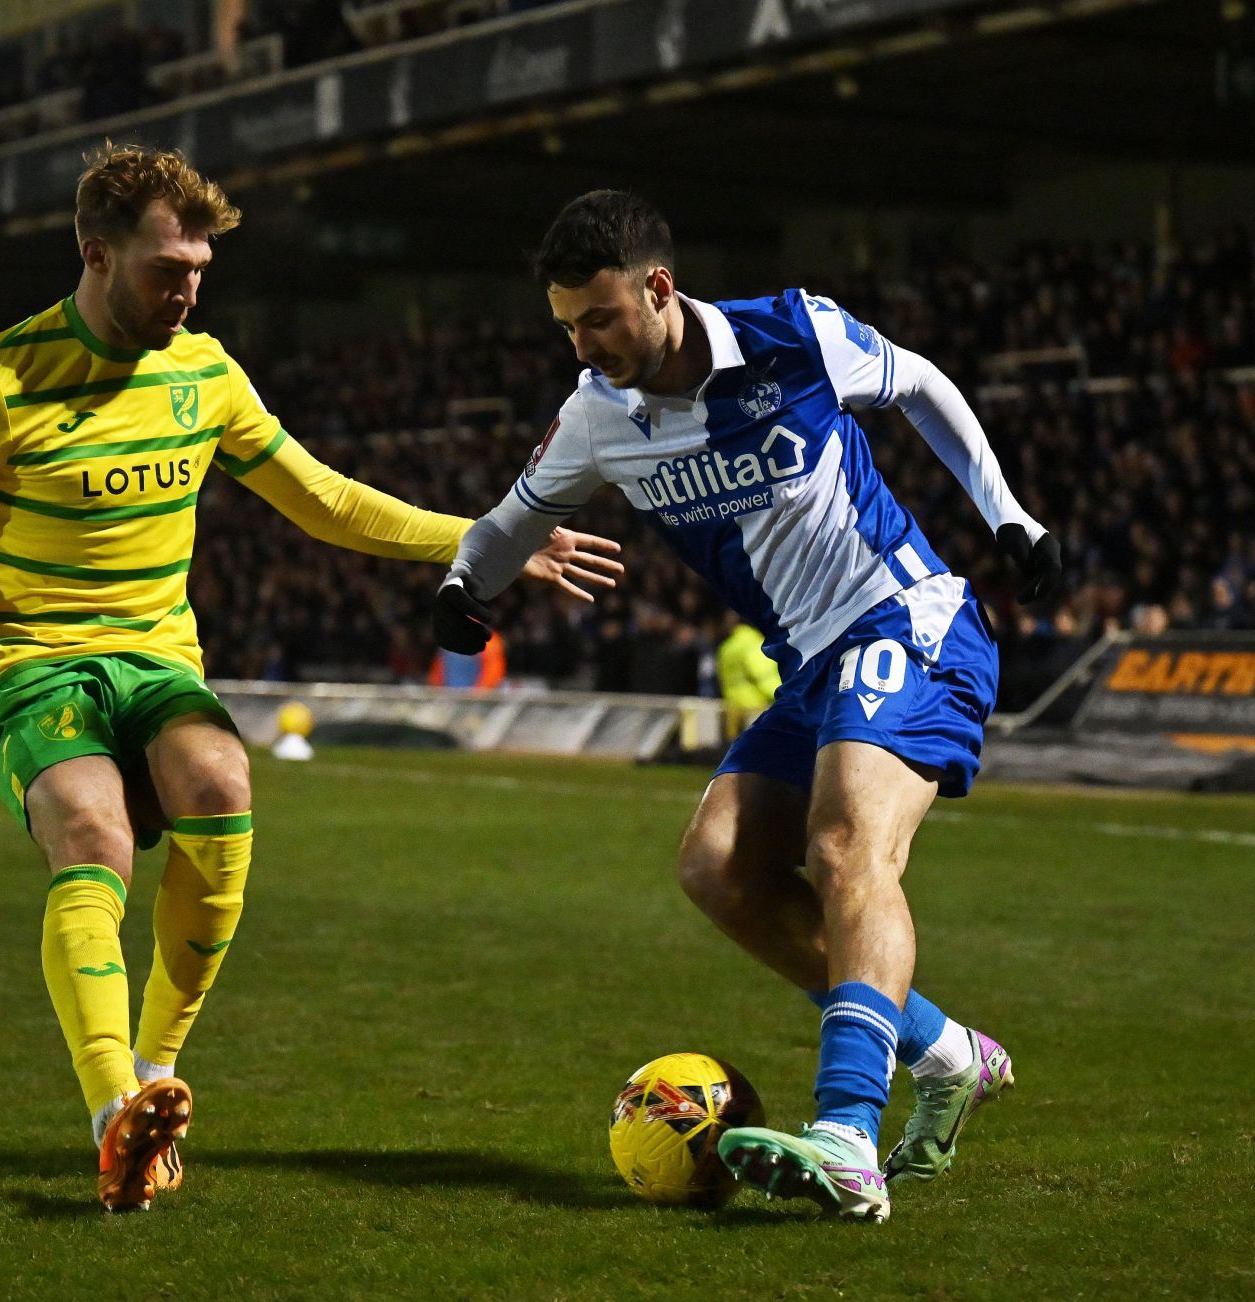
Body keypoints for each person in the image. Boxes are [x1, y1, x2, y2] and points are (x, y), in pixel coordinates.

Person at [0, 144, 621, 1212]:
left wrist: (490, 539)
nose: (186, 289)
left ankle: (157, 1071)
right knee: (93, 831)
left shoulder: (205, 373)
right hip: (32, 661)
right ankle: (109, 1110)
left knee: (221, 782)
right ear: (96, 254)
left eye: (199, 271)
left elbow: (326, 499)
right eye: (165, 267)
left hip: (157, 654)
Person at [433, 191, 1059, 1222]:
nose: (585, 345)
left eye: (599, 318)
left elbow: (923, 386)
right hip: (810, 665)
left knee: (848, 843)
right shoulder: (598, 417)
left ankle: (847, 1131)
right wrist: (466, 588)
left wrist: (1010, 516)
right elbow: (511, 519)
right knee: (716, 867)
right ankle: (947, 1053)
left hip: (906, 618)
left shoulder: (792, 333)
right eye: (567, 327)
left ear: (659, 289)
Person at [716, 612, 780, 737]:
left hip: (733, 709)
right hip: (755, 710)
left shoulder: (726, 647)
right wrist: (781, 694)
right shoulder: (753, 643)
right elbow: (763, 675)